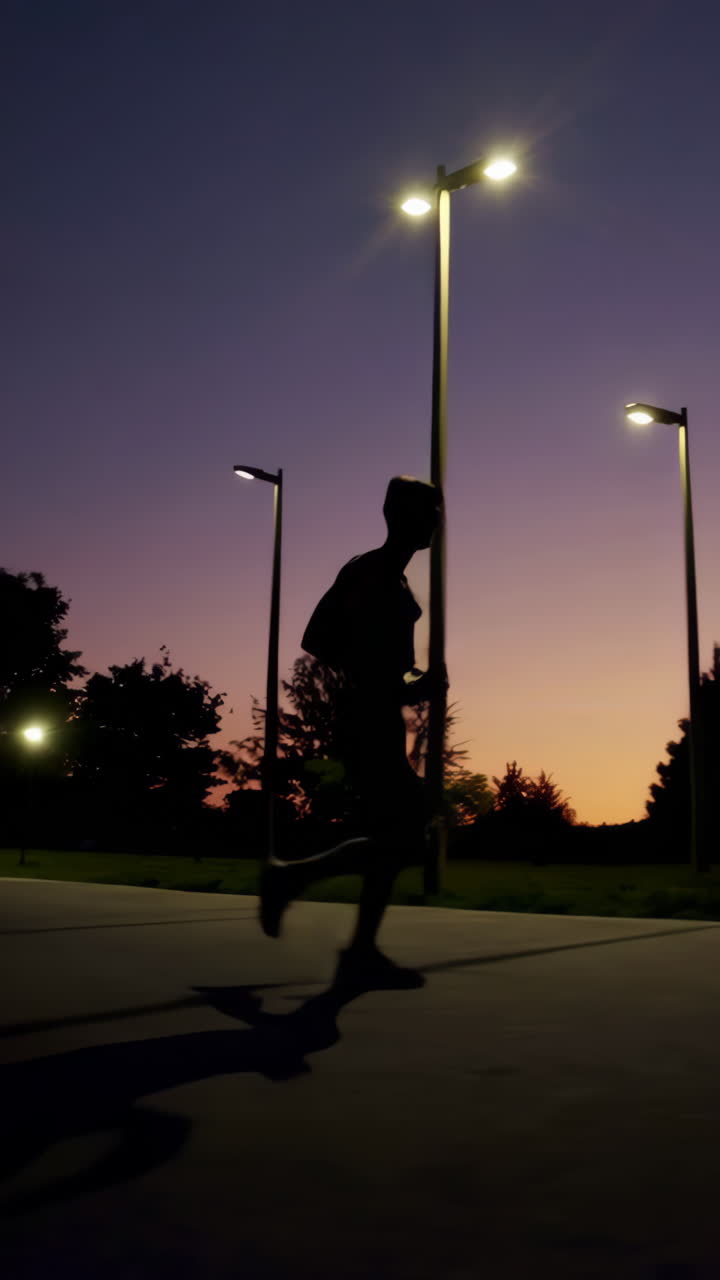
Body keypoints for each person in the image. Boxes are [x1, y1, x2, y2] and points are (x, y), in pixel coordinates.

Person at [258, 475, 447, 989]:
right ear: (399, 514)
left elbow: (384, 662)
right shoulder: (370, 571)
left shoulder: (398, 579)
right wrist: (385, 682)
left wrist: (414, 682)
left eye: (438, 510)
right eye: (429, 509)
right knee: (405, 831)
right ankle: (294, 882)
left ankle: (354, 943)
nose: (437, 519)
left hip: (381, 714)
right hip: (365, 716)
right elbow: (318, 639)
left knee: (399, 835)